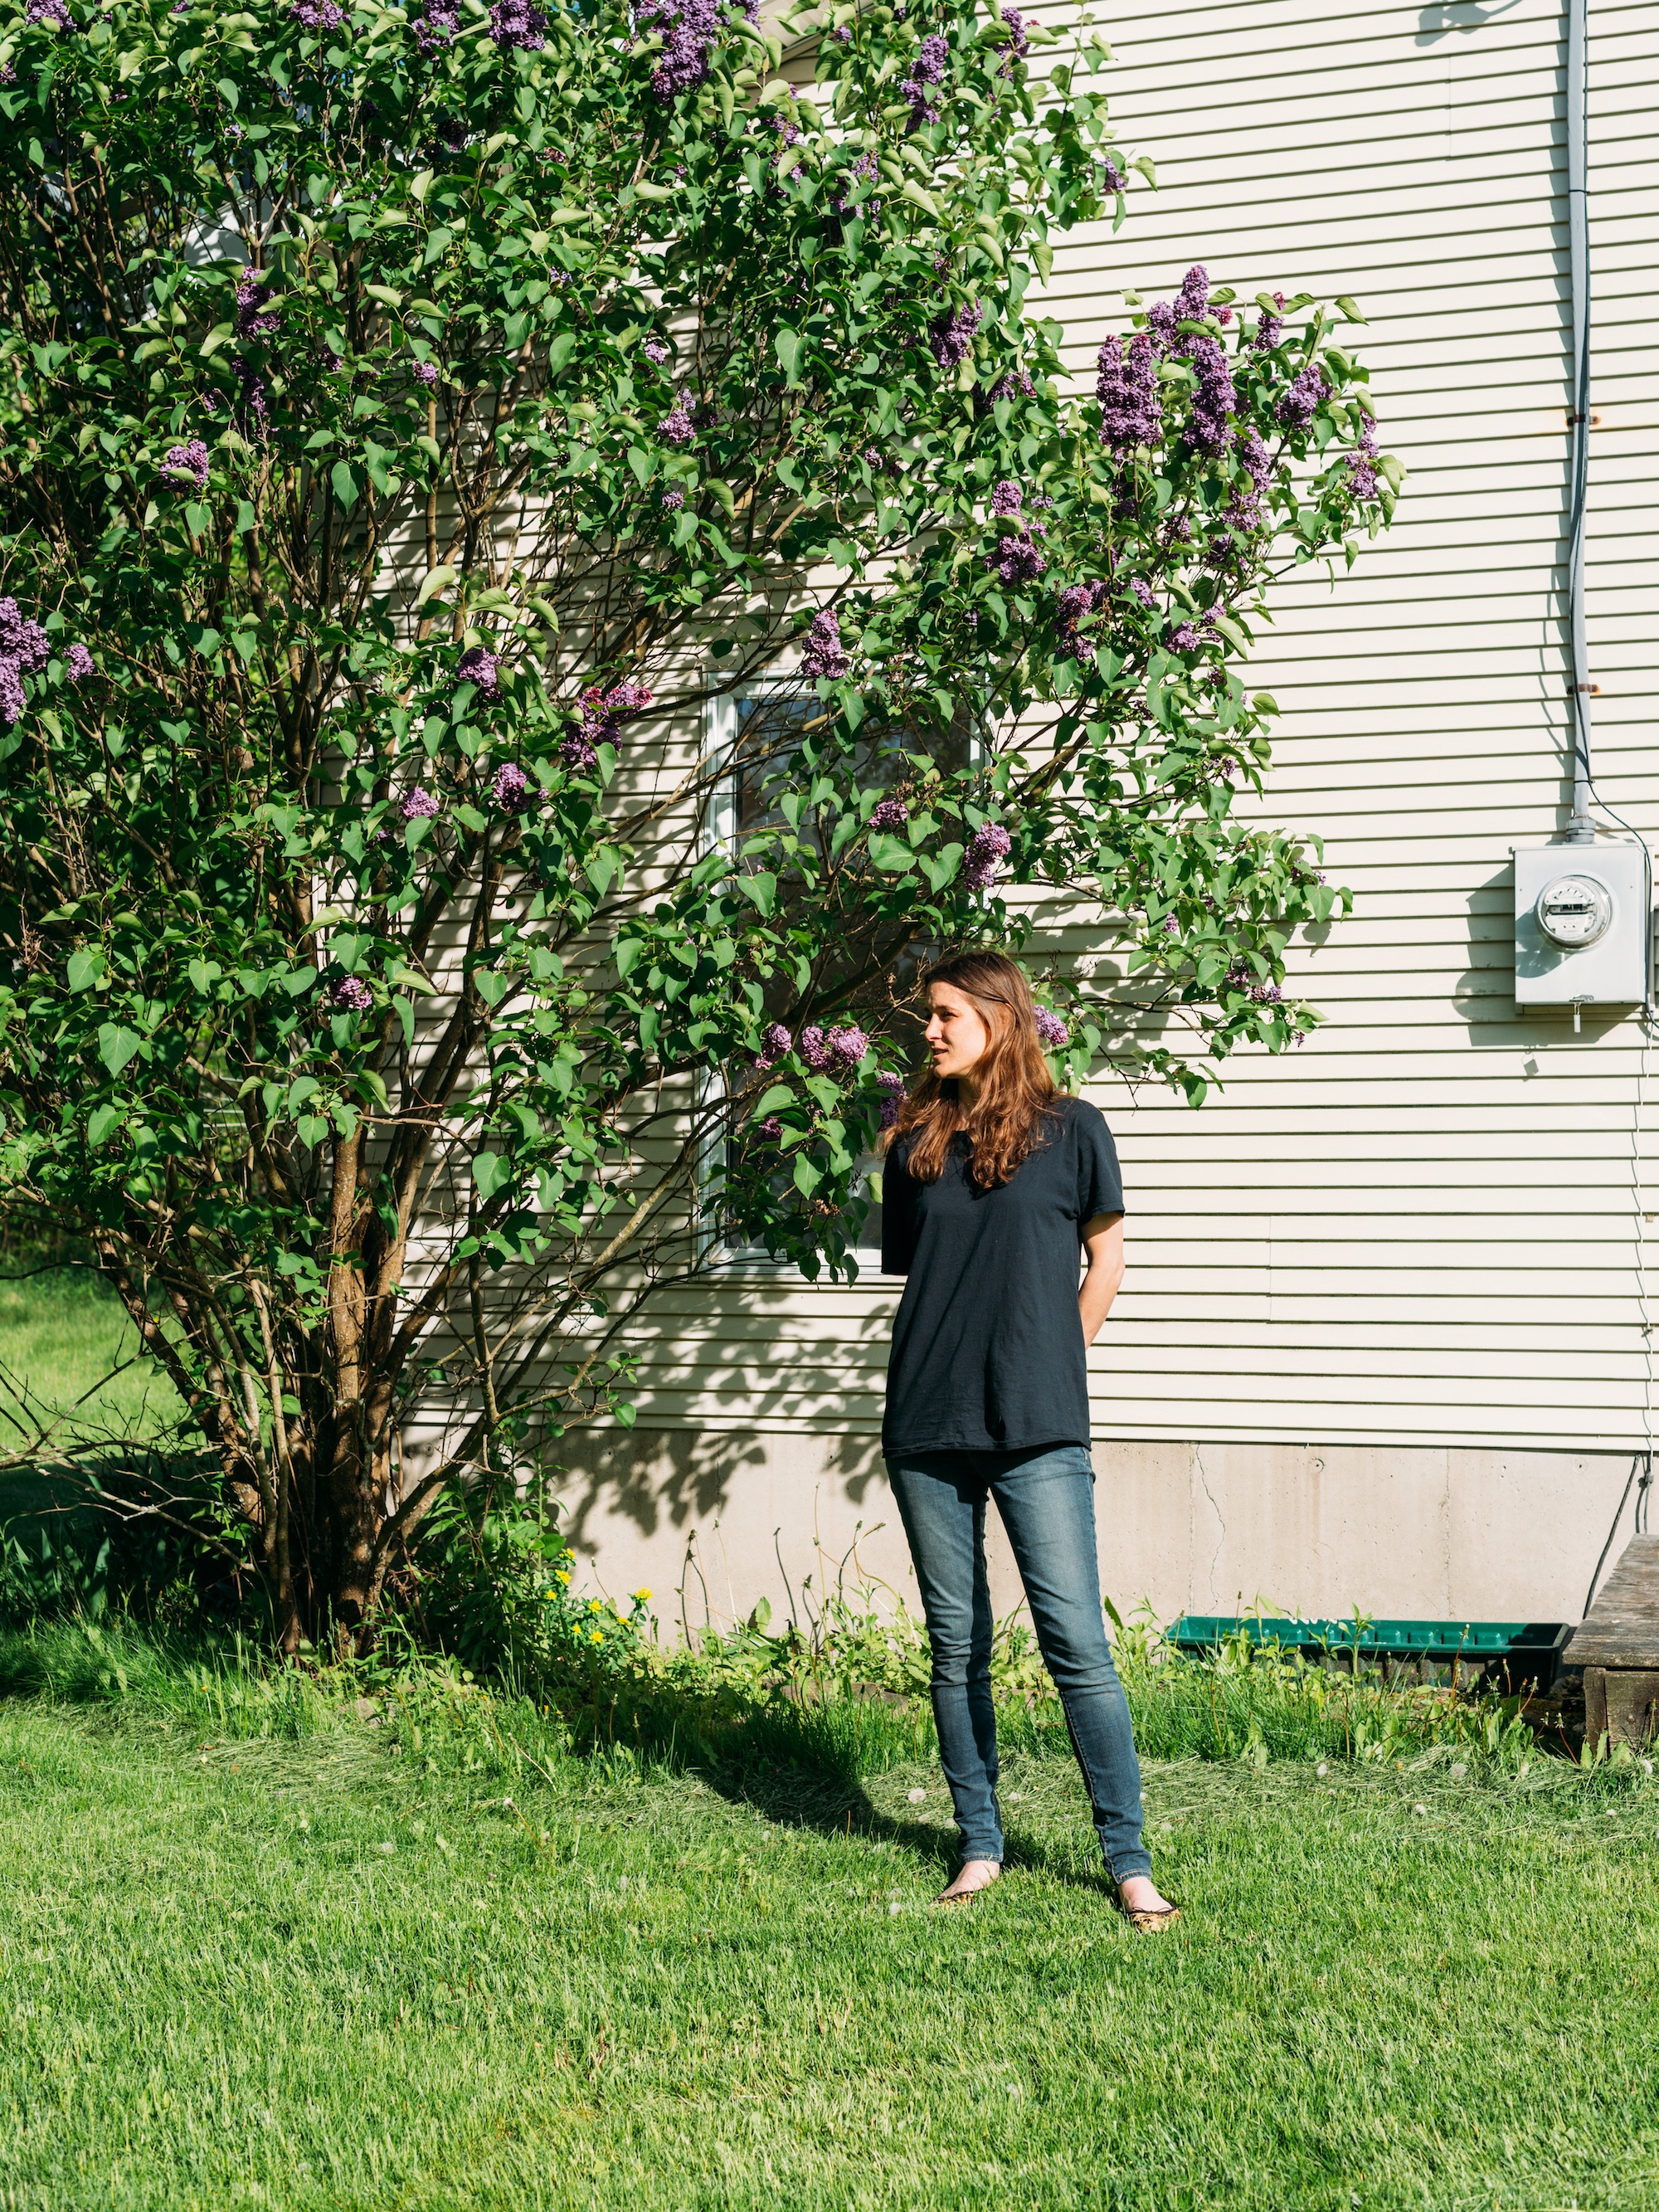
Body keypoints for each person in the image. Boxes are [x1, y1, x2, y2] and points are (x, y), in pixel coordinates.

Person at [878, 948, 1178, 1929]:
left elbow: (1106, 1259)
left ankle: (1127, 1862)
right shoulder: (912, 1139)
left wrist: (1055, 1358)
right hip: (926, 1420)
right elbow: (923, 1276)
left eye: (945, 1014)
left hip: (1035, 1422)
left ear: (999, 1018)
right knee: (954, 1646)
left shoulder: (1072, 1129)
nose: (928, 1030)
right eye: (927, 1015)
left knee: (1076, 1643)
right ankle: (978, 1845)